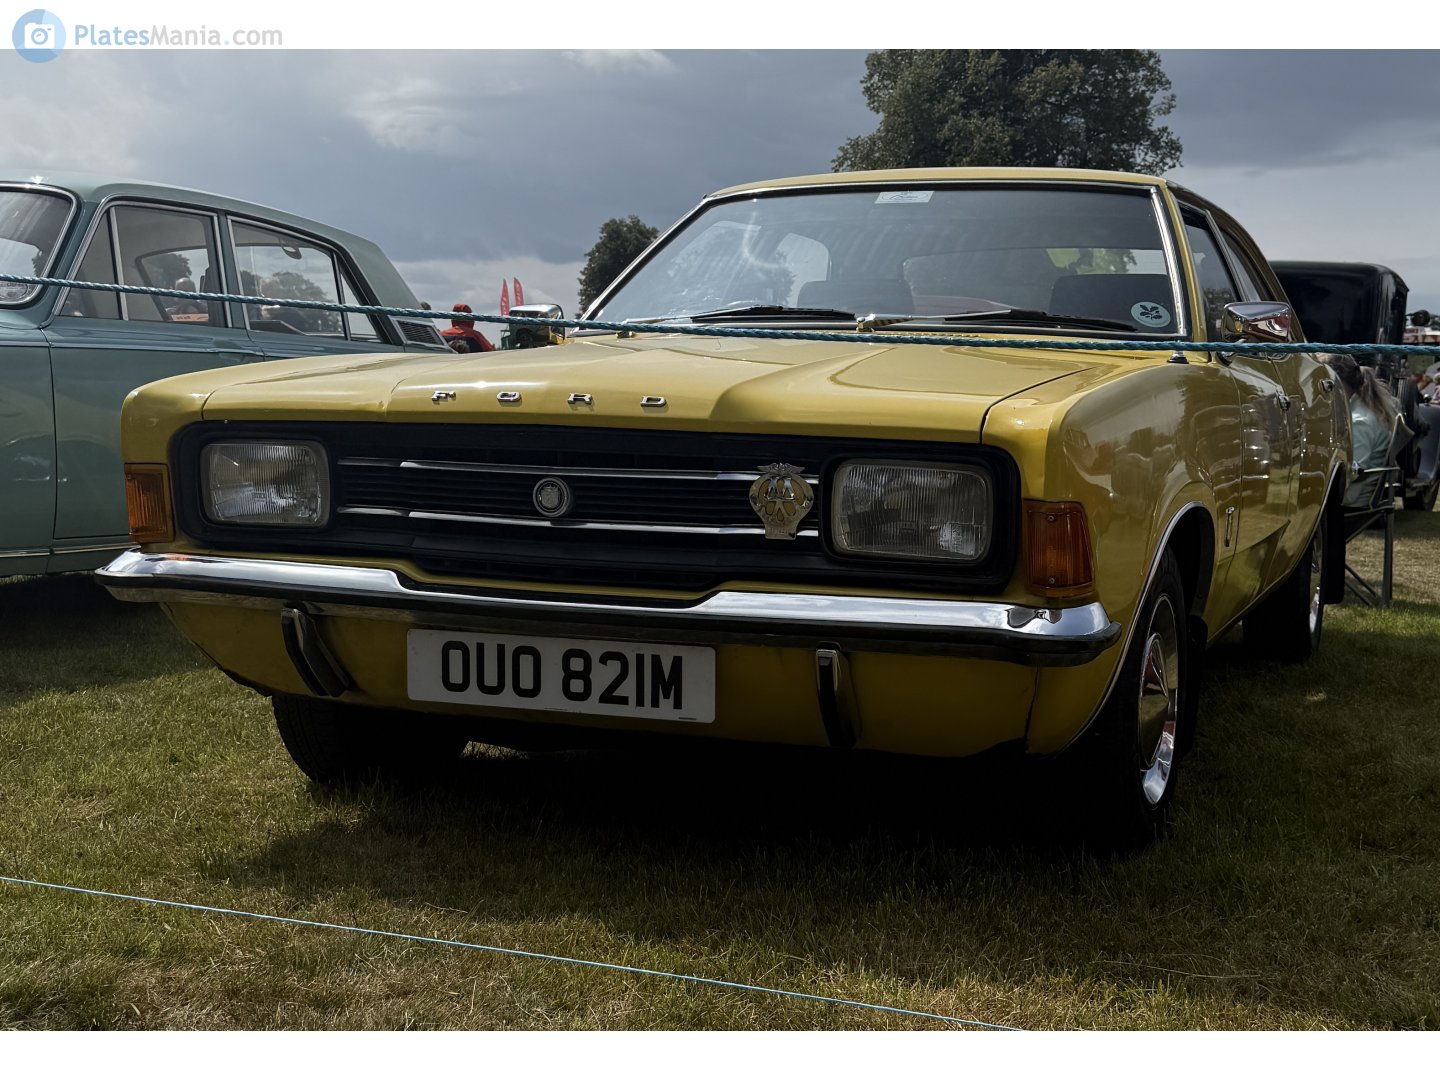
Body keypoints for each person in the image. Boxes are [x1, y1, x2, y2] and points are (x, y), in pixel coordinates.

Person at [1331, 354, 1401, 508]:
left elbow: (1354, 471)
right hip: (1359, 493)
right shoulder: (1368, 411)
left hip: (1352, 498)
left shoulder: (1359, 420)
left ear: (1337, 383)